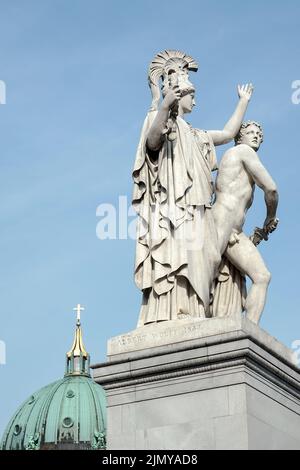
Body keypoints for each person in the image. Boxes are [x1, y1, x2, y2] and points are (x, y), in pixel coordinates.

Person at [132, 50, 253, 327]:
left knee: (198, 260)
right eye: (192, 95)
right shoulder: (161, 120)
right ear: (179, 95)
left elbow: (228, 134)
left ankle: (194, 310)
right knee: (175, 256)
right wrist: (163, 105)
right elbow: (151, 143)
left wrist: (243, 102)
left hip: (198, 207)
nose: (195, 100)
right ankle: (170, 313)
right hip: (172, 210)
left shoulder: (197, 135)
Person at [212, 121, 279, 324]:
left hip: (235, 230)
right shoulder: (243, 151)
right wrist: (270, 216)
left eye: (259, 133)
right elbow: (271, 189)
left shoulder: (240, 157)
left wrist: (260, 233)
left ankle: (249, 332)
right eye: (250, 132)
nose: (256, 136)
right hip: (220, 221)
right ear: (239, 138)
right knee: (206, 275)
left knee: (262, 276)